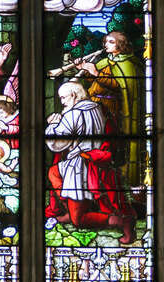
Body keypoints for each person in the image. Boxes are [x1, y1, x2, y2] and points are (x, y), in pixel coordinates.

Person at [45, 81, 136, 244]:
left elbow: (57, 142)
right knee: (53, 172)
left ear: (73, 95)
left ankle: (121, 222)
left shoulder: (73, 114)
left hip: (80, 165)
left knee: (78, 221)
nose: (62, 102)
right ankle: (69, 205)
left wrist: (52, 125)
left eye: (63, 98)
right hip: (94, 161)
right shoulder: (97, 108)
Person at [77, 31, 142, 184]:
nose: (106, 44)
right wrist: (84, 68)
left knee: (109, 141)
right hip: (95, 105)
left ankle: (111, 174)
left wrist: (95, 73)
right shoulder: (106, 61)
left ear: (121, 45)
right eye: (106, 41)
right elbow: (92, 76)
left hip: (111, 108)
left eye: (111, 42)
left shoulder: (128, 64)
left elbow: (119, 86)